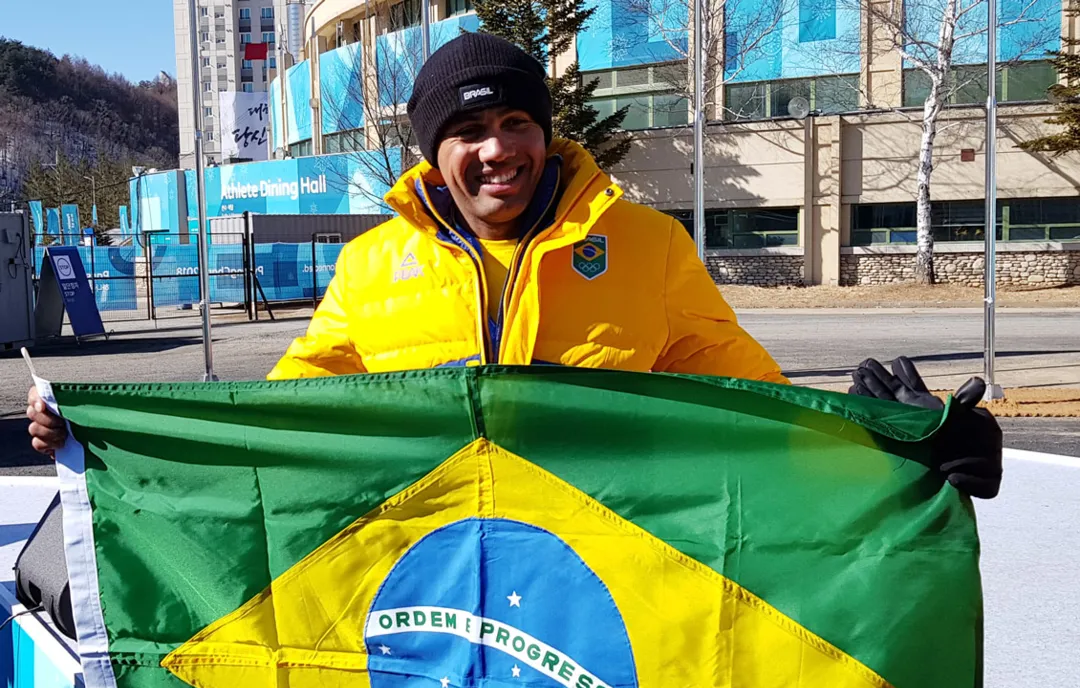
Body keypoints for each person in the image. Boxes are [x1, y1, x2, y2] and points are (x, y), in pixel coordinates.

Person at [26, 33, 1001, 498]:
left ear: (543, 131)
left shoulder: (649, 249)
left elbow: (744, 408)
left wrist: (885, 446)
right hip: (424, 577)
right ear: (431, 153)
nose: (498, 149)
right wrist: (106, 437)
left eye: (516, 123)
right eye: (469, 130)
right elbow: (280, 428)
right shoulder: (373, 269)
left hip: (607, 575)